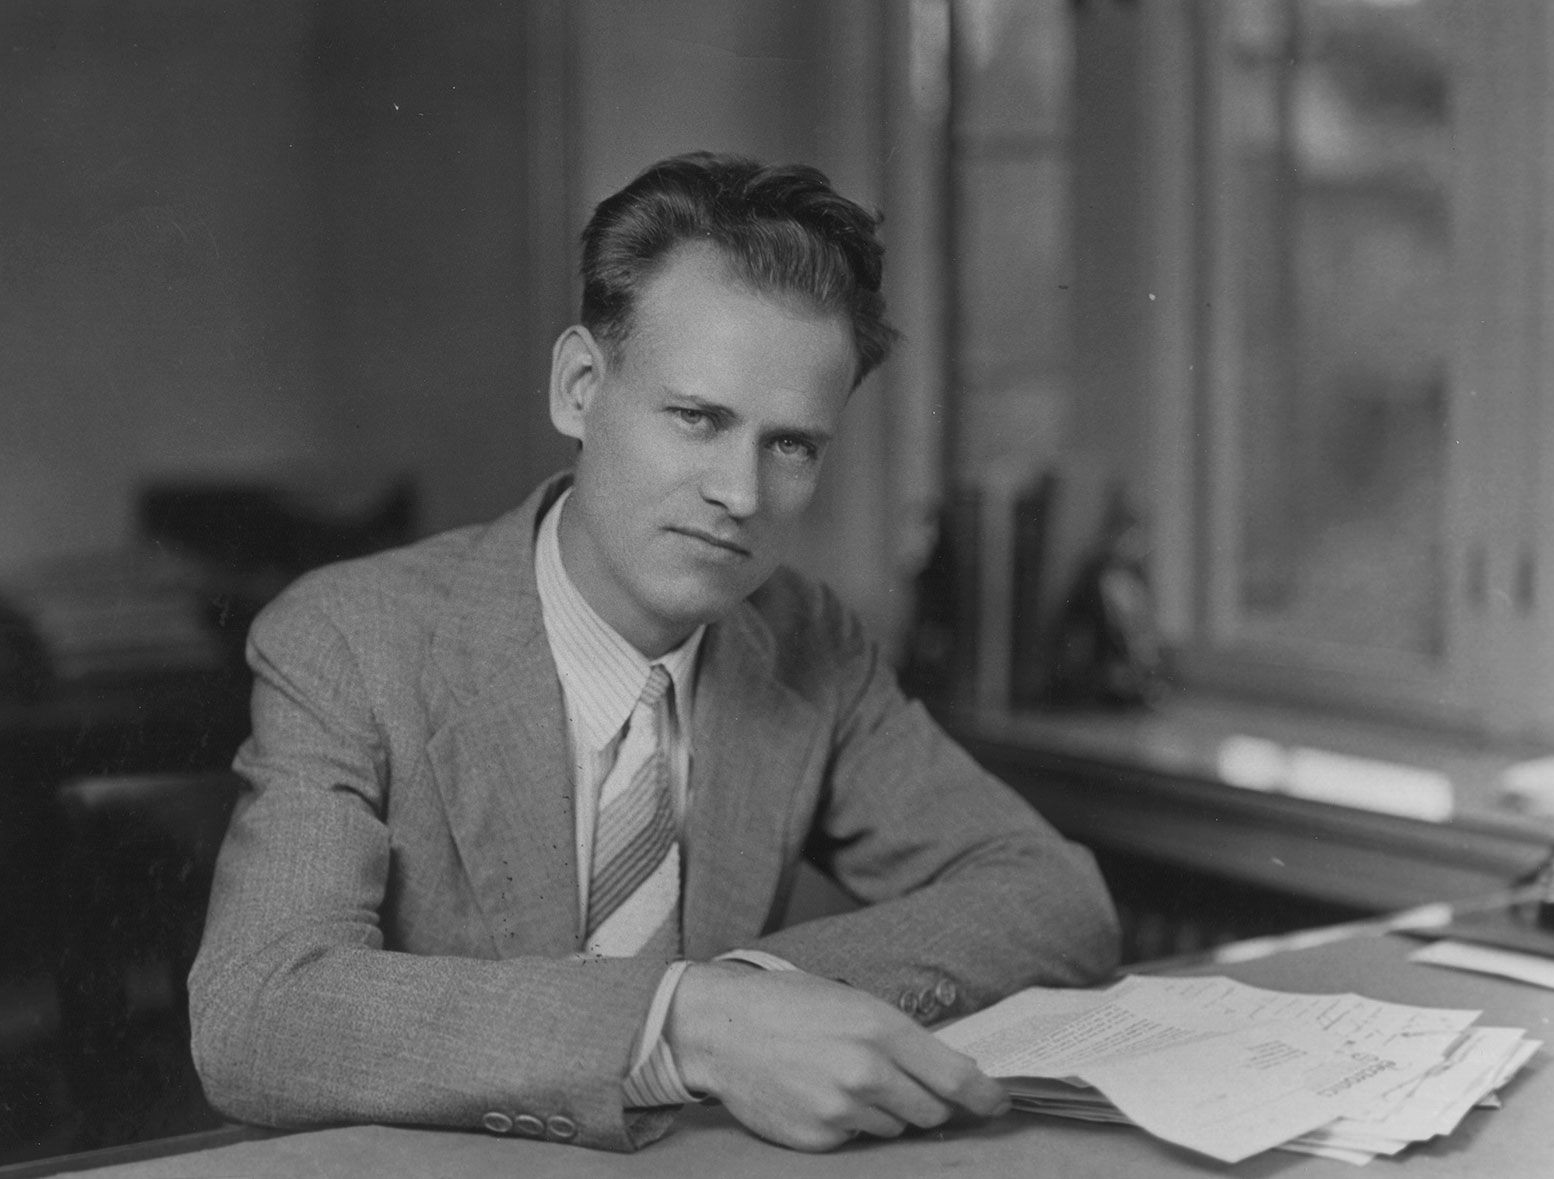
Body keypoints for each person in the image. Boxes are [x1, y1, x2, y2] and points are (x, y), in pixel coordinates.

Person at [188, 151, 1119, 1154]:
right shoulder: (351, 638)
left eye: (792, 445)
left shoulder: (806, 640)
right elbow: (258, 1013)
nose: (743, 494)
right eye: (697, 418)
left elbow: (1053, 896)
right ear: (580, 387)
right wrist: (685, 1021)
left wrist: (757, 996)